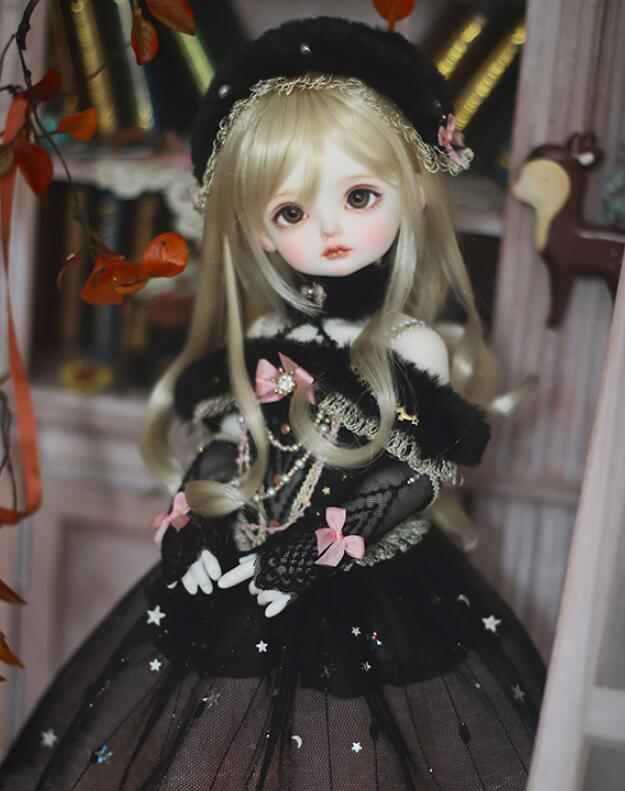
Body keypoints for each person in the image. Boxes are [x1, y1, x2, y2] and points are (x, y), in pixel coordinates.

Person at [0, 16, 545, 791]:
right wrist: (198, 519)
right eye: (291, 212)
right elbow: (231, 444)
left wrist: (312, 549)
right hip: (240, 568)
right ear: (257, 230)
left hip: (363, 588)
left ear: (414, 192)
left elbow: (411, 478)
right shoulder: (265, 334)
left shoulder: (410, 343)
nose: (328, 229)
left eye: (359, 196)